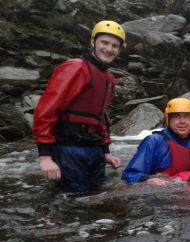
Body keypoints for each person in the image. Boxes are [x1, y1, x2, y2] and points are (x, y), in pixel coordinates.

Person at [32, 20, 125, 192]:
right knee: (73, 205)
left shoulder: (110, 78)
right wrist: (45, 156)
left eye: (115, 45)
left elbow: (100, 117)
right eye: (104, 42)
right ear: (93, 41)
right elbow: (46, 109)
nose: (109, 49)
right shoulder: (76, 67)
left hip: (94, 150)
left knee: (95, 201)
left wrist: (105, 152)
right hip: (68, 149)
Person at [121, 98, 190, 185]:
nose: (182, 121)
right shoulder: (154, 141)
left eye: (187, 116)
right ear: (168, 119)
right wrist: (146, 180)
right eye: (176, 116)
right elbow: (129, 174)